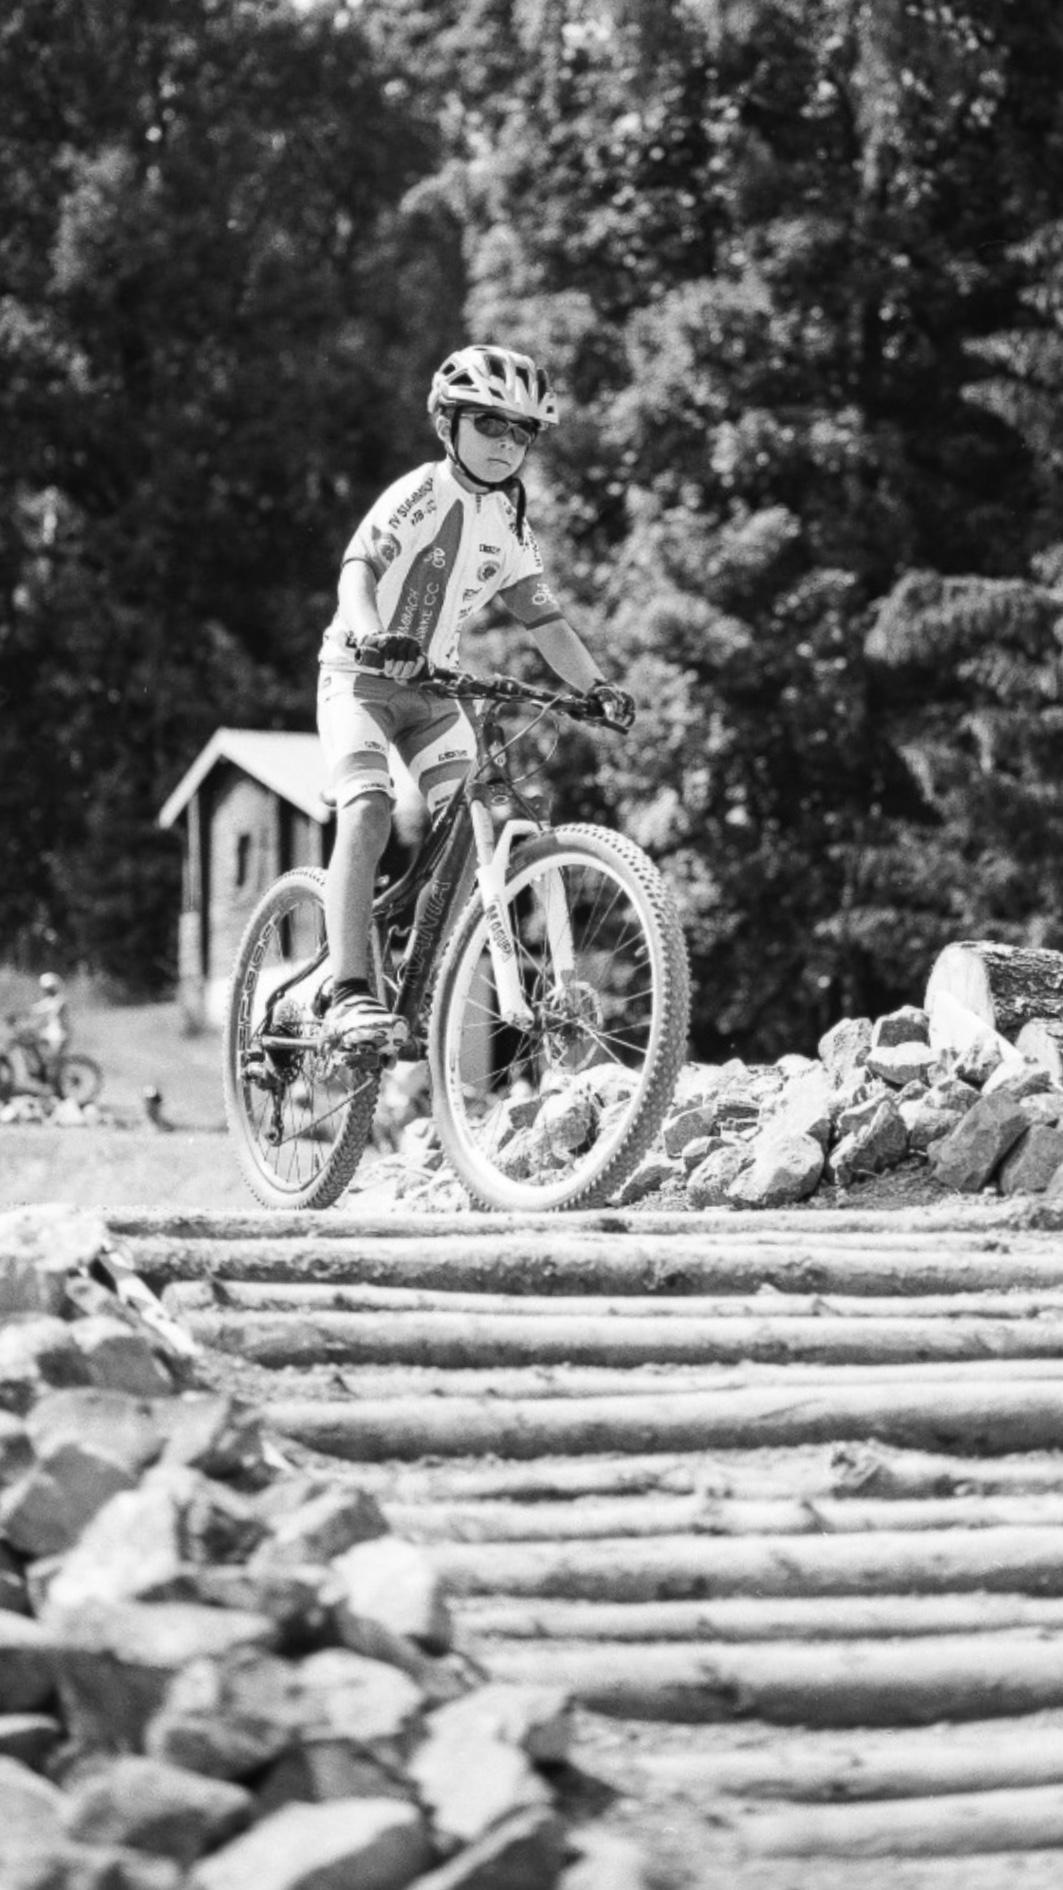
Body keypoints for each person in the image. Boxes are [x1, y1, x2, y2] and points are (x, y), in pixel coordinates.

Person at [316, 343, 635, 1050]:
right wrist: (373, 637)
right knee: (367, 810)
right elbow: (356, 572)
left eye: (520, 433)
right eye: (489, 425)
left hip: (435, 695)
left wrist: (596, 689)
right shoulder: (419, 492)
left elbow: (544, 618)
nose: (505, 444)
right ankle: (345, 992)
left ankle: (414, 977)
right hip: (359, 679)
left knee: (477, 832)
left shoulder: (509, 522)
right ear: (446, 424)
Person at [27, 972, 70, 1087]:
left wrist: (36, 1010)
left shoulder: (60, 1000)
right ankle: (37, 1068)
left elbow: (48, 1007)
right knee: (28, 1039)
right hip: (50, 1033)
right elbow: (38, 1008)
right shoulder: (50, 1000)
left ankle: (48, 1082)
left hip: (58, 1035)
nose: (46, 991)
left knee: (52, 1064)